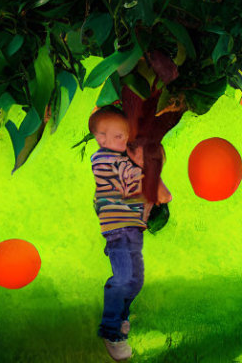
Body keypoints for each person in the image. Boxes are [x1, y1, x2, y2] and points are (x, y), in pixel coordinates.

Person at [89, 105, 168, 362]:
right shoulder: (108, 161)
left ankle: (120, 317)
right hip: (119, 230)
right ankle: (112, 332)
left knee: (135, 281)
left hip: (133, 231)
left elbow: (163, 195)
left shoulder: (135, 165)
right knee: (124, 279)